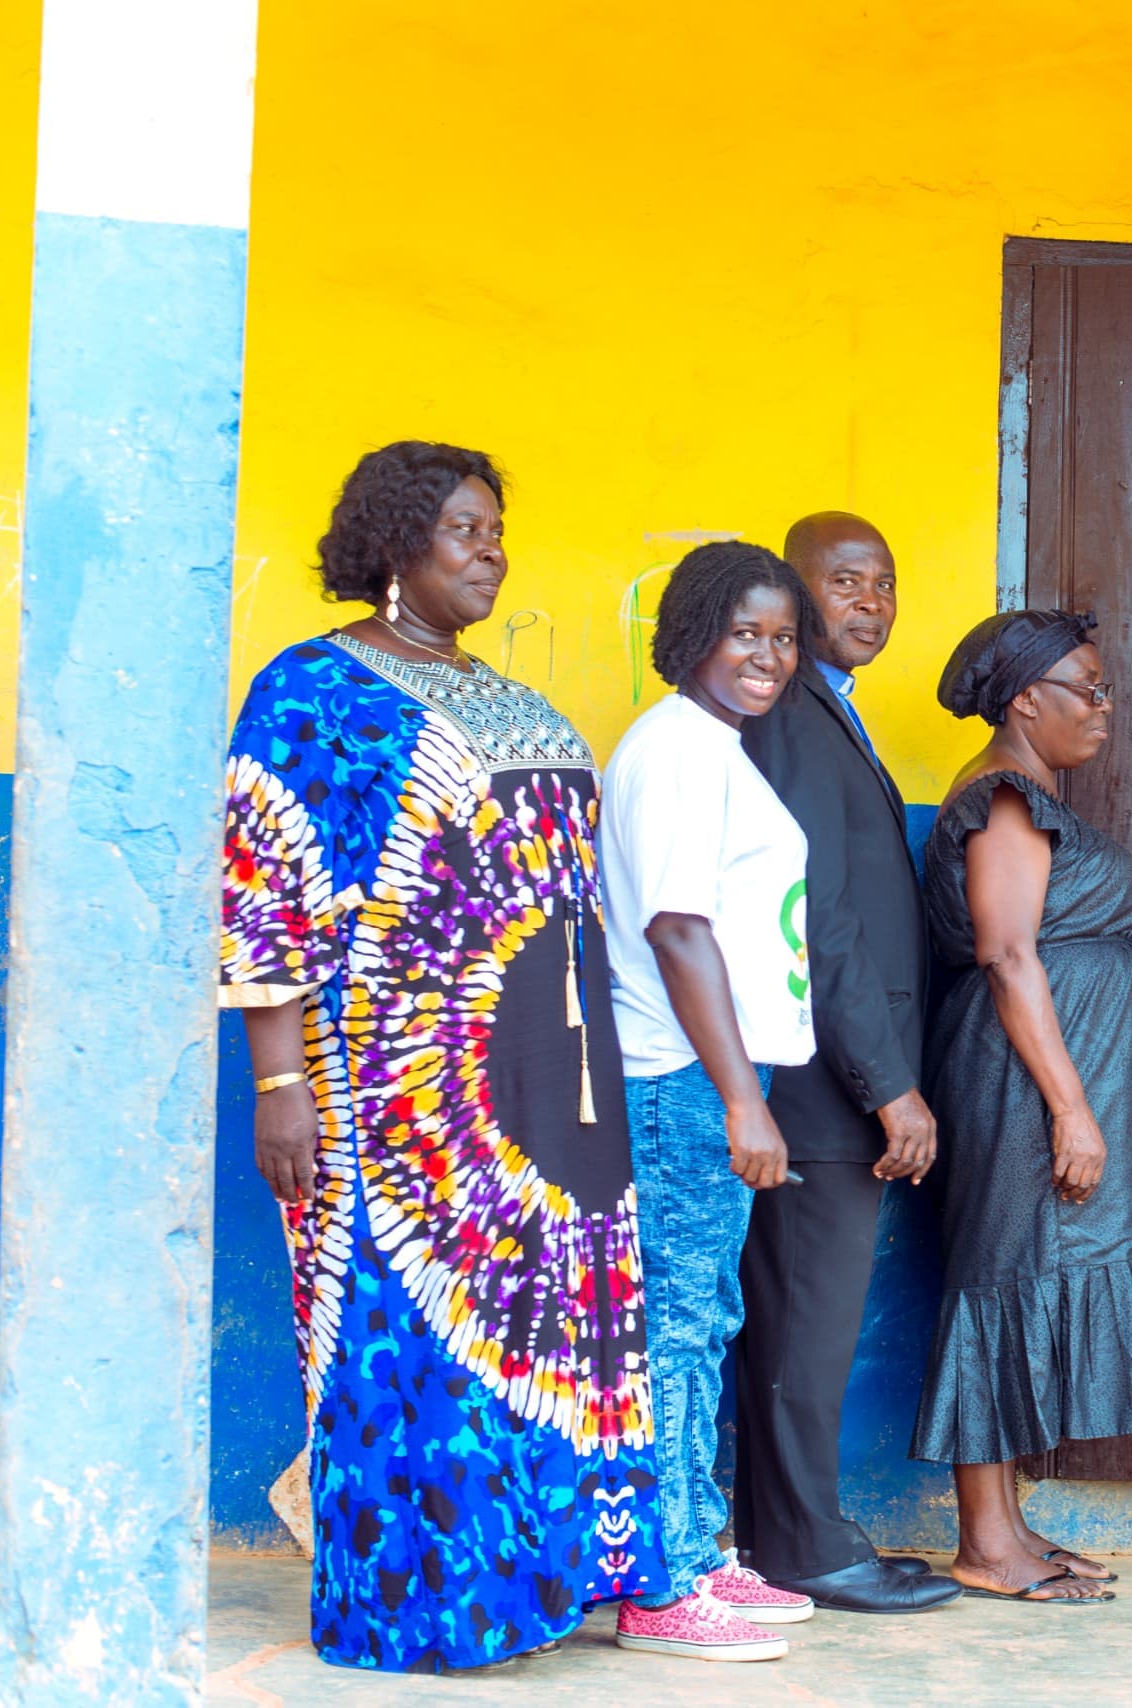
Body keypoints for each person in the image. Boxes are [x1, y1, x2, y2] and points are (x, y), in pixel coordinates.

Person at [221, 441, 662, 1672]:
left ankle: (531, 1586)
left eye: (495, 529)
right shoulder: (314, 690)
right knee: (404, 1345)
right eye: (464, 528)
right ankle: (414, 1607)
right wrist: (278, 1084)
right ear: (395, 545)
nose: (490, 550)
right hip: (391, 1111)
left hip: (547, 1101)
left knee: (542, 1347)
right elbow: (266, 887)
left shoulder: (511, 697)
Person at [916, 610, 1132, 1603]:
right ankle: (986, 1544)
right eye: (1087, 687)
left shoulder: (1027, 793)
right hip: (1018, 1080)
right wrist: (1070, 1107)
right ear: (1024, 700)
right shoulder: (1003, 798)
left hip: (1035, 1075)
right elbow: (1007, 952)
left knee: (1022, 1269)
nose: (1104, 706)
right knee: (1003, 1274)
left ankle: (1006, 1528)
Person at [728, 514, 961, 1615]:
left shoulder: (832, 714)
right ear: (795, 591)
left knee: (798, 1315)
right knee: (803, 1320)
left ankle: (788, 1533)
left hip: (833, 1077)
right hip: (820, 1082)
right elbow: (818, 922)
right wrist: (888, 1082)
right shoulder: (791, 719)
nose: (871, 602)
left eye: (886, 582)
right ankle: (802, 1546)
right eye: (847, 582)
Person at [599, 541, 825, 1661]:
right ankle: (657, 1582)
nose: (769, 657)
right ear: (692, 631)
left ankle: (693, 1545)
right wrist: (744, 1099)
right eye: (745, 633)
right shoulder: (679, 752)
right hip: (684, 1077)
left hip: (714, 1076)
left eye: (784, 638)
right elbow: (677, 928)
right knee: (677, 1328)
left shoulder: (712, 748)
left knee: (701, 1321)